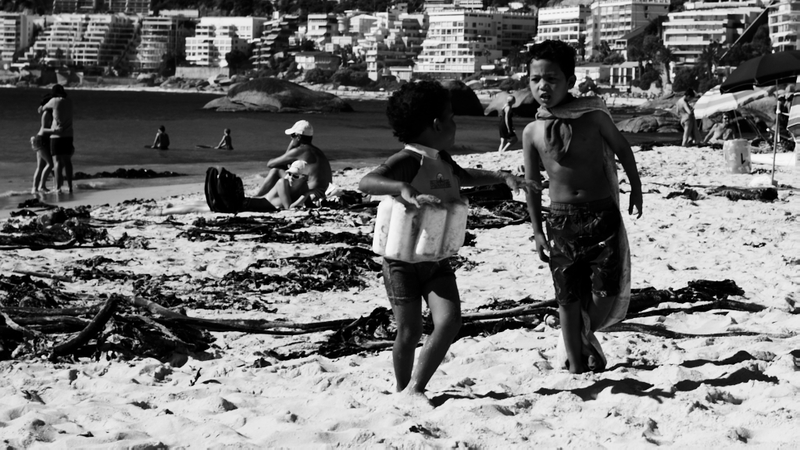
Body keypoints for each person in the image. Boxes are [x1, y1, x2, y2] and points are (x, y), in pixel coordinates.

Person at [358, 81, 537, 403]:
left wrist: (503, 176)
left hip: (435, 259)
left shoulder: (441, 158)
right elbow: (366, 182)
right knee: (409, 332)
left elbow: (464, 177)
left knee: (450, 321)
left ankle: (416, 387)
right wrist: (402, 188)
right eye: (452, 117)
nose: (455, 124)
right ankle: (402, 390)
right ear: (437, 124)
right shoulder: (408, 159)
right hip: (401, 263)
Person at [522, 40, 643, 374]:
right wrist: (536, 231)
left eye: (552, 79)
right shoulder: (532, 131)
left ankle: (582, 336)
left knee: (606, 293)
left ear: (570, 81)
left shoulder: (593, 118)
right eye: (535, 80)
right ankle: (576, 365)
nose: (542, 86)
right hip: (560, 221)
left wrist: (636, 187)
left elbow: (623, 148)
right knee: (567, 298)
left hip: (601, 215)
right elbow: (533, 186)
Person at [245, 120, 332, 211]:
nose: (291, 138)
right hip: (323, 191)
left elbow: (270, 164)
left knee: (276, 169)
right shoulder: (317, 151)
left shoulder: (300, 150)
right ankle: (261, 197)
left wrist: (292, 146)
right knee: (288, 171)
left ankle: (258, 196)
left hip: (310, 193)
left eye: (292, 136)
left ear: (298, 137)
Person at [39, 84, 74, 193]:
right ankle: (70, 186)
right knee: (68, 162)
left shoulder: (54, 101)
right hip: (69, 135)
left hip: (57, 136)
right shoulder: (69, 101)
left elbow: (42, 109)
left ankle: (58, 188)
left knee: (57, 162)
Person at [31, 94, 54, 193]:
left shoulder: (49, 112)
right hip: (41, 140)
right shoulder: (47, 113)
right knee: (50, 164)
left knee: (40, 166)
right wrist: (55, 130)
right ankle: (41, 186)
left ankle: (35, 188)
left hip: (42, 140)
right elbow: (44, 129)